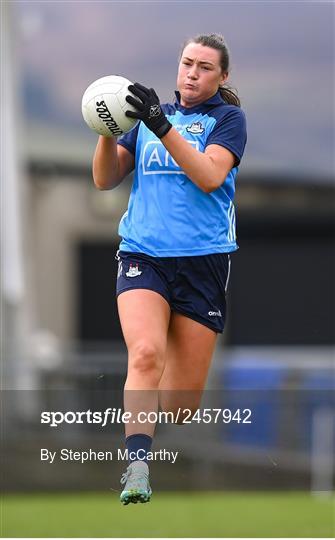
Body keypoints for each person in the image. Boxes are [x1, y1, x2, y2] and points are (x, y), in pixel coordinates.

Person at [92, 33, 247, 505]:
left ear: (222, 76)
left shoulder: (228, 120)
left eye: (204, 67)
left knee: (180, 408)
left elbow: (208, 176)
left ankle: (155, 406)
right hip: (143, 254)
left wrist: (161, 126)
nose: (192, 73)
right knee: (143, 355)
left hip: (203, 263)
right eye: (186, 63)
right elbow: (104, 179)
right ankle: (137, 466)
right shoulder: (144, 116)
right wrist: (105, 125)